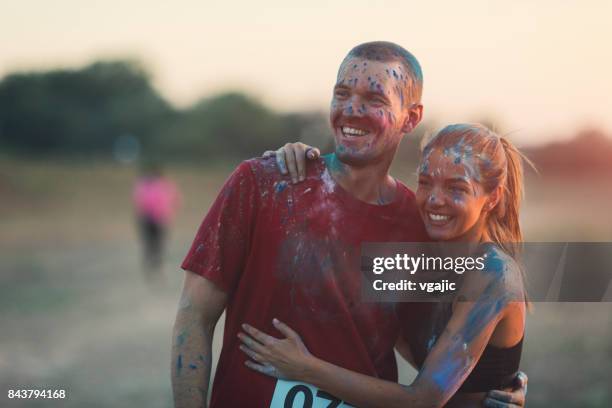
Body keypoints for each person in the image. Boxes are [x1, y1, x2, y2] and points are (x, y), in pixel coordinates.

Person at [171, 42, 526, 408]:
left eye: (374, 99)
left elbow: (428, 355)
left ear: (411, 117)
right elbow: (194, 316)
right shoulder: (262, 184)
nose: (352, 109)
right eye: (342, 93)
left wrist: (499, 385)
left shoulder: (418, 225)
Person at [239, 124, 529, 407]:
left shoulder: (492, 273)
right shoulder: (422, 255)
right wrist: (300, 159)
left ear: (493, 198)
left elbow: (424, 399)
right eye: (425, 182)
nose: (434, 200)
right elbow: (379, 327)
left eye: (457, 188)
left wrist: (304, 368)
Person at [133, 162, 180, 280]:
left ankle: (156, 268)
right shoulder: (146, 184)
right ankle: (152, 268)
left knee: (157, 245)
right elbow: (140, 202)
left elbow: (175, 199)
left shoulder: (155, 185)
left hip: (157, 219)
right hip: (150, 219)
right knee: (152, 244)